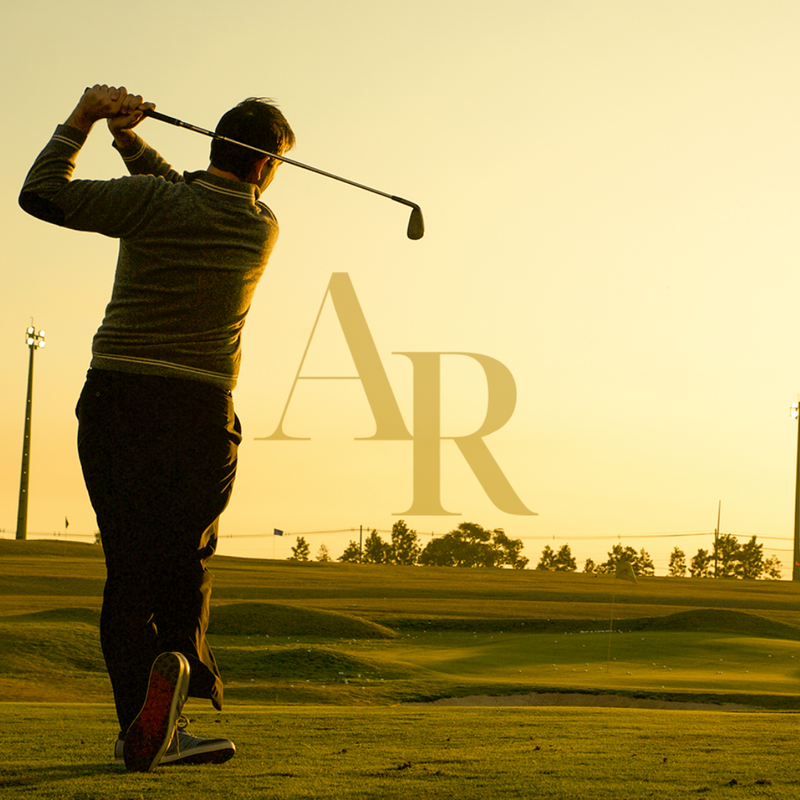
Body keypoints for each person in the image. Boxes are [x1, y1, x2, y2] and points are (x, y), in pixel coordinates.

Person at [19, 85, 295, 772]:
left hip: (119, 400)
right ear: (264, 169)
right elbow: (185, 194)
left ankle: (140, 728)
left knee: (128, 572)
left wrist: (89, 122)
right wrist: (130, 140)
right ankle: (180, 686)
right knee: (187, 563)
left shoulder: (154, 205)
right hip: (200, 413)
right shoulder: (260, 227)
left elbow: (41, 193)